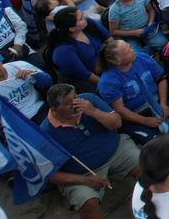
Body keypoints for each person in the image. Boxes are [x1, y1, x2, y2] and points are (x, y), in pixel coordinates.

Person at [41, 83, 142, 219]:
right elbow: (51, 174)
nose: (76, 103)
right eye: (68, 103)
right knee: (88, 203)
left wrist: (93, 112)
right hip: (83, 173)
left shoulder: (88, 100)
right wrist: (84, 180)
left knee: (146, 167)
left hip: (117, 150)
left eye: (75, 97)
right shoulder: (45, 133)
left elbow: (117, 123)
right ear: (54, 109)